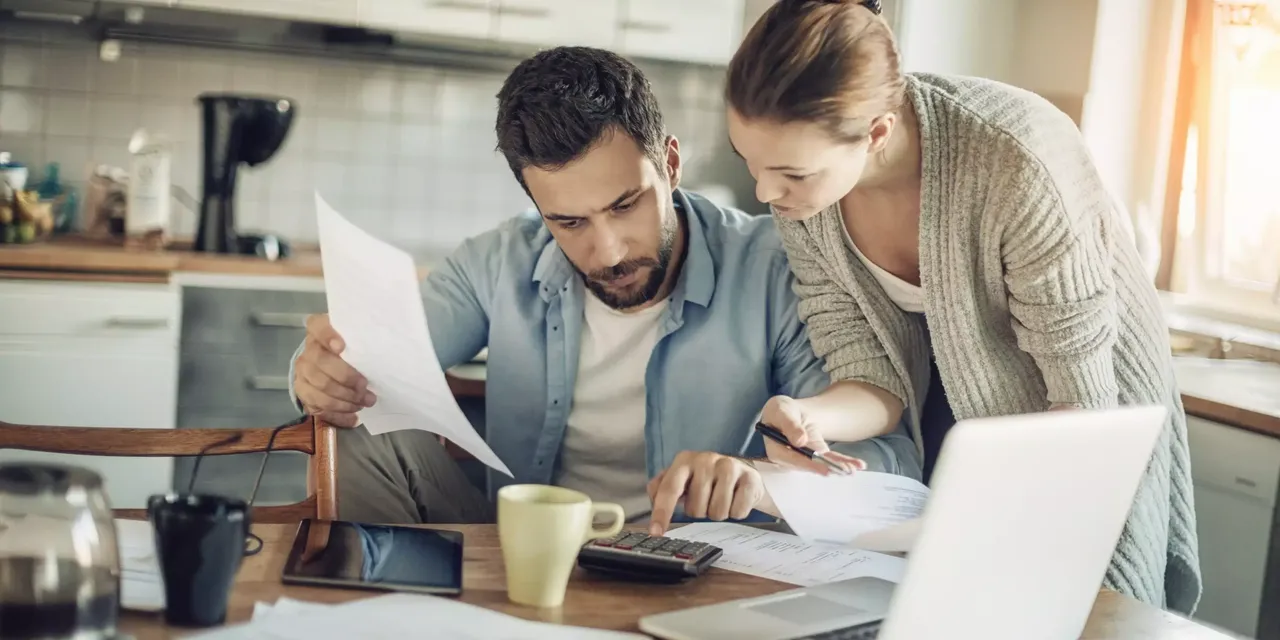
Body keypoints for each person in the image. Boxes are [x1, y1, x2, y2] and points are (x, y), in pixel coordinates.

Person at [288, 46, 919, 536]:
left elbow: (889, 466)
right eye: (569, 223)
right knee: (353, 422)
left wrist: (762, 480)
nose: (609, 251)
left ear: (670, 165)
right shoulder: (497, 261)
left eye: (626, 205)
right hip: (517, 546)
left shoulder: (775, 268)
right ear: (537, 205)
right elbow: (372, 359)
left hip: (695, 564)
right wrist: (319, 373)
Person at [721, 0, 1201, 614]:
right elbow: (870, 373)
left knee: (1076, 607)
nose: (765, 192)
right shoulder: (806, 202)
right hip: (958, 417)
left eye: (790, 172)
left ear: (876, 134)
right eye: (750, 163)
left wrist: (1002, 515)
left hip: (1083, 412)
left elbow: (1081, 408)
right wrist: (809, 415)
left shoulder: (1016, 159)